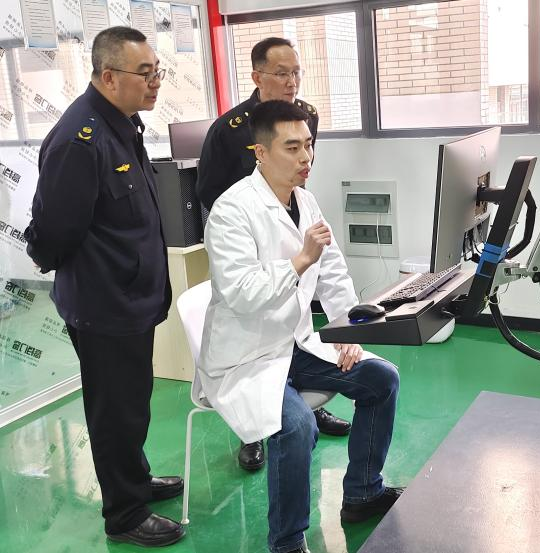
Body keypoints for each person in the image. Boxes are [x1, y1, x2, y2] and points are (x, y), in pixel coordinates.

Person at [199, 100, 403, 553]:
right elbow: (242, 294)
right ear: (260, 152)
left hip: (295, 346)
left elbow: (333, 272)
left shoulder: (304, 200)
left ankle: (363, 492)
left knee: (381, 378)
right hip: (247, 356)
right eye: (292, 148)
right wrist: (299, 260)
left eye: (308, 145)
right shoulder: (232, 211)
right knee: (296, 427)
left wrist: (347, 332)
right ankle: (287, 542)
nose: (306, 157)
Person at [24, 27, 185, 548]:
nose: (156, 82)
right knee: (114, 411)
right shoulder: (80, 139)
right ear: (109, 76)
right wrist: (56, 264)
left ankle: (134, 480)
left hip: (131, 298)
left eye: (158, 71)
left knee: (132, 402)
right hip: (104, 304)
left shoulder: (122, 124)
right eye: (146, 74)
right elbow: (54, 229)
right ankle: (124, 512)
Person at [197, 36, 350, 473]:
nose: (291, 81)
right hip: (247, 237)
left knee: (301, 335)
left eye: (296, 72)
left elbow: (299, 183)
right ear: (257, 76)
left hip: (288, 223)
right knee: (264, 364)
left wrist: (347, 325)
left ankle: (310, 408)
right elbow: (210, 191)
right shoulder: (229, 130)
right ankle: (253, 435)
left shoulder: (306, 115)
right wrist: (249, 227)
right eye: (281, 73)